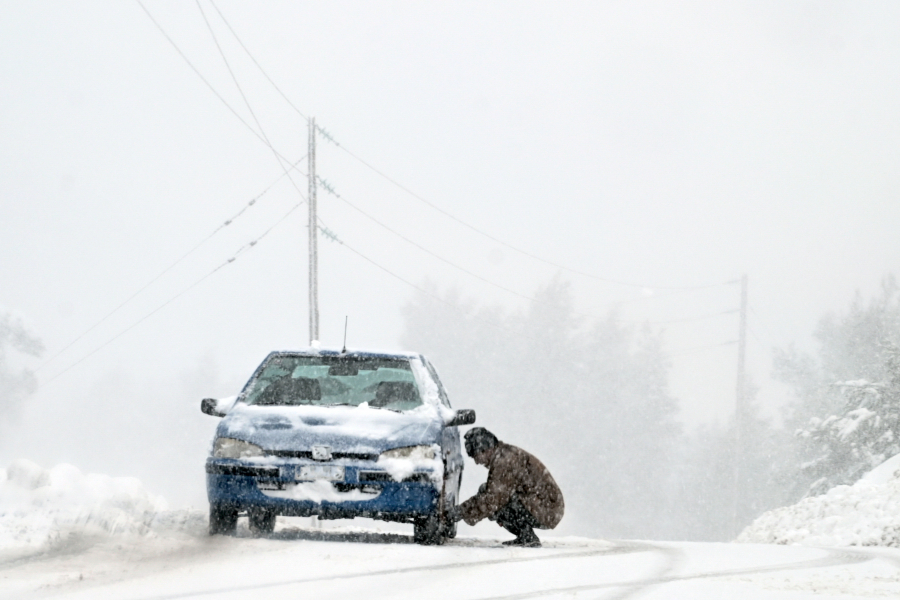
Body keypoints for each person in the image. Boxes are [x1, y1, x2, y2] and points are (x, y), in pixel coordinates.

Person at [448, 427, 564, 547]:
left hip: (547, 509)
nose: (477, 462)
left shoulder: (504, 461)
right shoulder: (504, 455)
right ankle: (525, 535)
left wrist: (460, 512)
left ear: (485, 450)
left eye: (476, 456)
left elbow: (493, 499)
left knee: (497, 501)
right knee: (488, 493)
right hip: (544, 506)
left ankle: (527, 536)